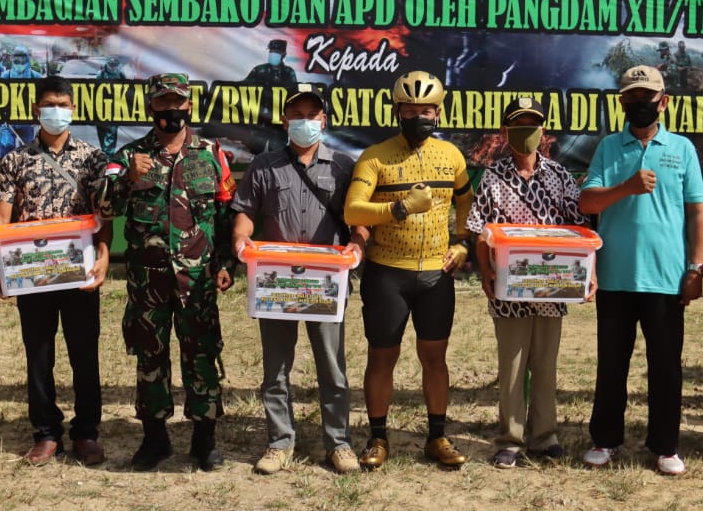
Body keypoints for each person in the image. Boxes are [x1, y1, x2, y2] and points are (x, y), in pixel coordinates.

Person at [96, 73, 236, 472]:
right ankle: (154, 439)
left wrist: (227, 263)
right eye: (163, 104)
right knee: (150, 358)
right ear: (150, 107)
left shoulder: (211, 153)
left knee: (202, 355)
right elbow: (104, 206)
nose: (171, 110)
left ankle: (204, 440)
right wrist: (128, 178)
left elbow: (226, 214)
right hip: (148, 281)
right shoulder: (129, 155)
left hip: (199, 281)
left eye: (178, 103)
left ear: (190, 106)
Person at [231, 84, 369, 475]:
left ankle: (338, 443)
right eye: (297, 115)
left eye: (312, 115)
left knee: (332, 366)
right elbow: (244, 211)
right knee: (276, 368)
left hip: (327, 282)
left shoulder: (344, 166)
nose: (304, 122)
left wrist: (358, 246)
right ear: (285, 120)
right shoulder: (263, 166)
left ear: (323, 120)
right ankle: (279, 441)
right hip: (278, 283)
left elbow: (359, 221)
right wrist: (241, 240)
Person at [343, 70, 475, 470]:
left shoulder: (451, 156)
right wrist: (397, 208)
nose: (419, 116)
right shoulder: (375, 156)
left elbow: (465, 202)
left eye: (426, 110)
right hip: (388, 273)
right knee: (382, 357)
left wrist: (462, 243)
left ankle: (437, 437)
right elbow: (352, 210)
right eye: (410, 110)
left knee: (435, 357)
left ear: (438, 112)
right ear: (397, 111)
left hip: (436, 273)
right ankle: (378, 437)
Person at [579, 65, 703, 476]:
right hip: (616, 275)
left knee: (666, 365)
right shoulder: (608, 148)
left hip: (667, 278)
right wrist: (626, 187)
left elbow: (697, 212)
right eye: (631, 99)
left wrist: (695, 267)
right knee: (611, 363)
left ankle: (665, 445)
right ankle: (605, 440)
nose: (639, 106)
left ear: (664, 102)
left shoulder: (682, 148)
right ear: (621, 103)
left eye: (647, 99)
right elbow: (588, 204)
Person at [0, 75, 112, 467]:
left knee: (84, 353)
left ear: (73, 109)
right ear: (36, 110)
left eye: (63, 104)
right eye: (48, 105)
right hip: (33, 272)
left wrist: (105, 253)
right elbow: (0, 217)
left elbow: (102, 214)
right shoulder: (15, 161)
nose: (55, 111)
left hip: (79, 273)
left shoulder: (91, 159)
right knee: (38, 355)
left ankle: (87, 431)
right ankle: (45, 432)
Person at [467, 96, 591, 468]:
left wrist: (590, 274)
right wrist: (486, 270)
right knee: (513, 365)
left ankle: (545, 436)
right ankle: (510, 438)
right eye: (518, 125)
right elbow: (479, 228)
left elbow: (579, 229)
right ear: (505, 132)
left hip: (552, 284)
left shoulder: (559, 175)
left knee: (546, 364)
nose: (526, 132)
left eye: (532, 124)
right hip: (509, 287)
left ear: (543, 131)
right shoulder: (493, 175)